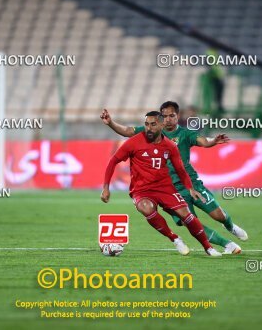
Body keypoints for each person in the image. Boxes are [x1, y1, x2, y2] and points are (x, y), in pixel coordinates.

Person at [101, 101, 248, 254]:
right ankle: (226, 244)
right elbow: (126, 131)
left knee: (218, 214)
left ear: (178, 116)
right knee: (189, 220)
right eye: (164, 116)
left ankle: (229, 225)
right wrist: (110, 123)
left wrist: (213, 141)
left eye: (171, 116)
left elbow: (203, 142)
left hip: (191, 183)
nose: (168, 119)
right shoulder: (151, 131)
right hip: (171, 188)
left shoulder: (185, 134)